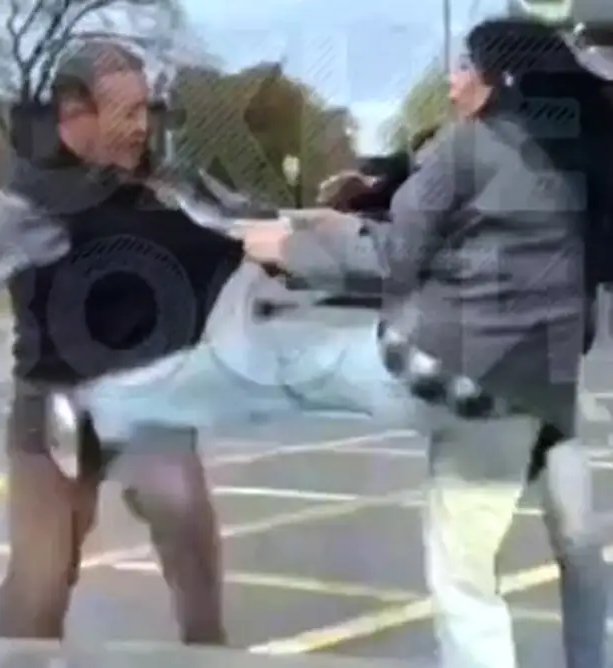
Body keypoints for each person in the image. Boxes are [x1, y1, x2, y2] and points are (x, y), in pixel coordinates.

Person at [72, 17, 613, 668]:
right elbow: (479, 246)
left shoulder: (473, 147)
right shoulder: (575, 160)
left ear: (501, 79)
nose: (452, 81)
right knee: (554, 549)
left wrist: (292, 248)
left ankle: (106, 408)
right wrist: (333, 225)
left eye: (465, 66)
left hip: (447, 367)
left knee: (283, 367)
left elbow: (395, 258)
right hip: (535, 386)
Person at [0, 39, 294, 644]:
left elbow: (244, 235)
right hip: (54, 409)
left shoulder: (165, 189)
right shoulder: (20, 207)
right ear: (75, 113)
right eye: (127, 112)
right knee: (39, 583)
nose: (142, 127)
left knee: (188, 533)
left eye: (146, 110)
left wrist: (310, 248)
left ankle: (207, 651)